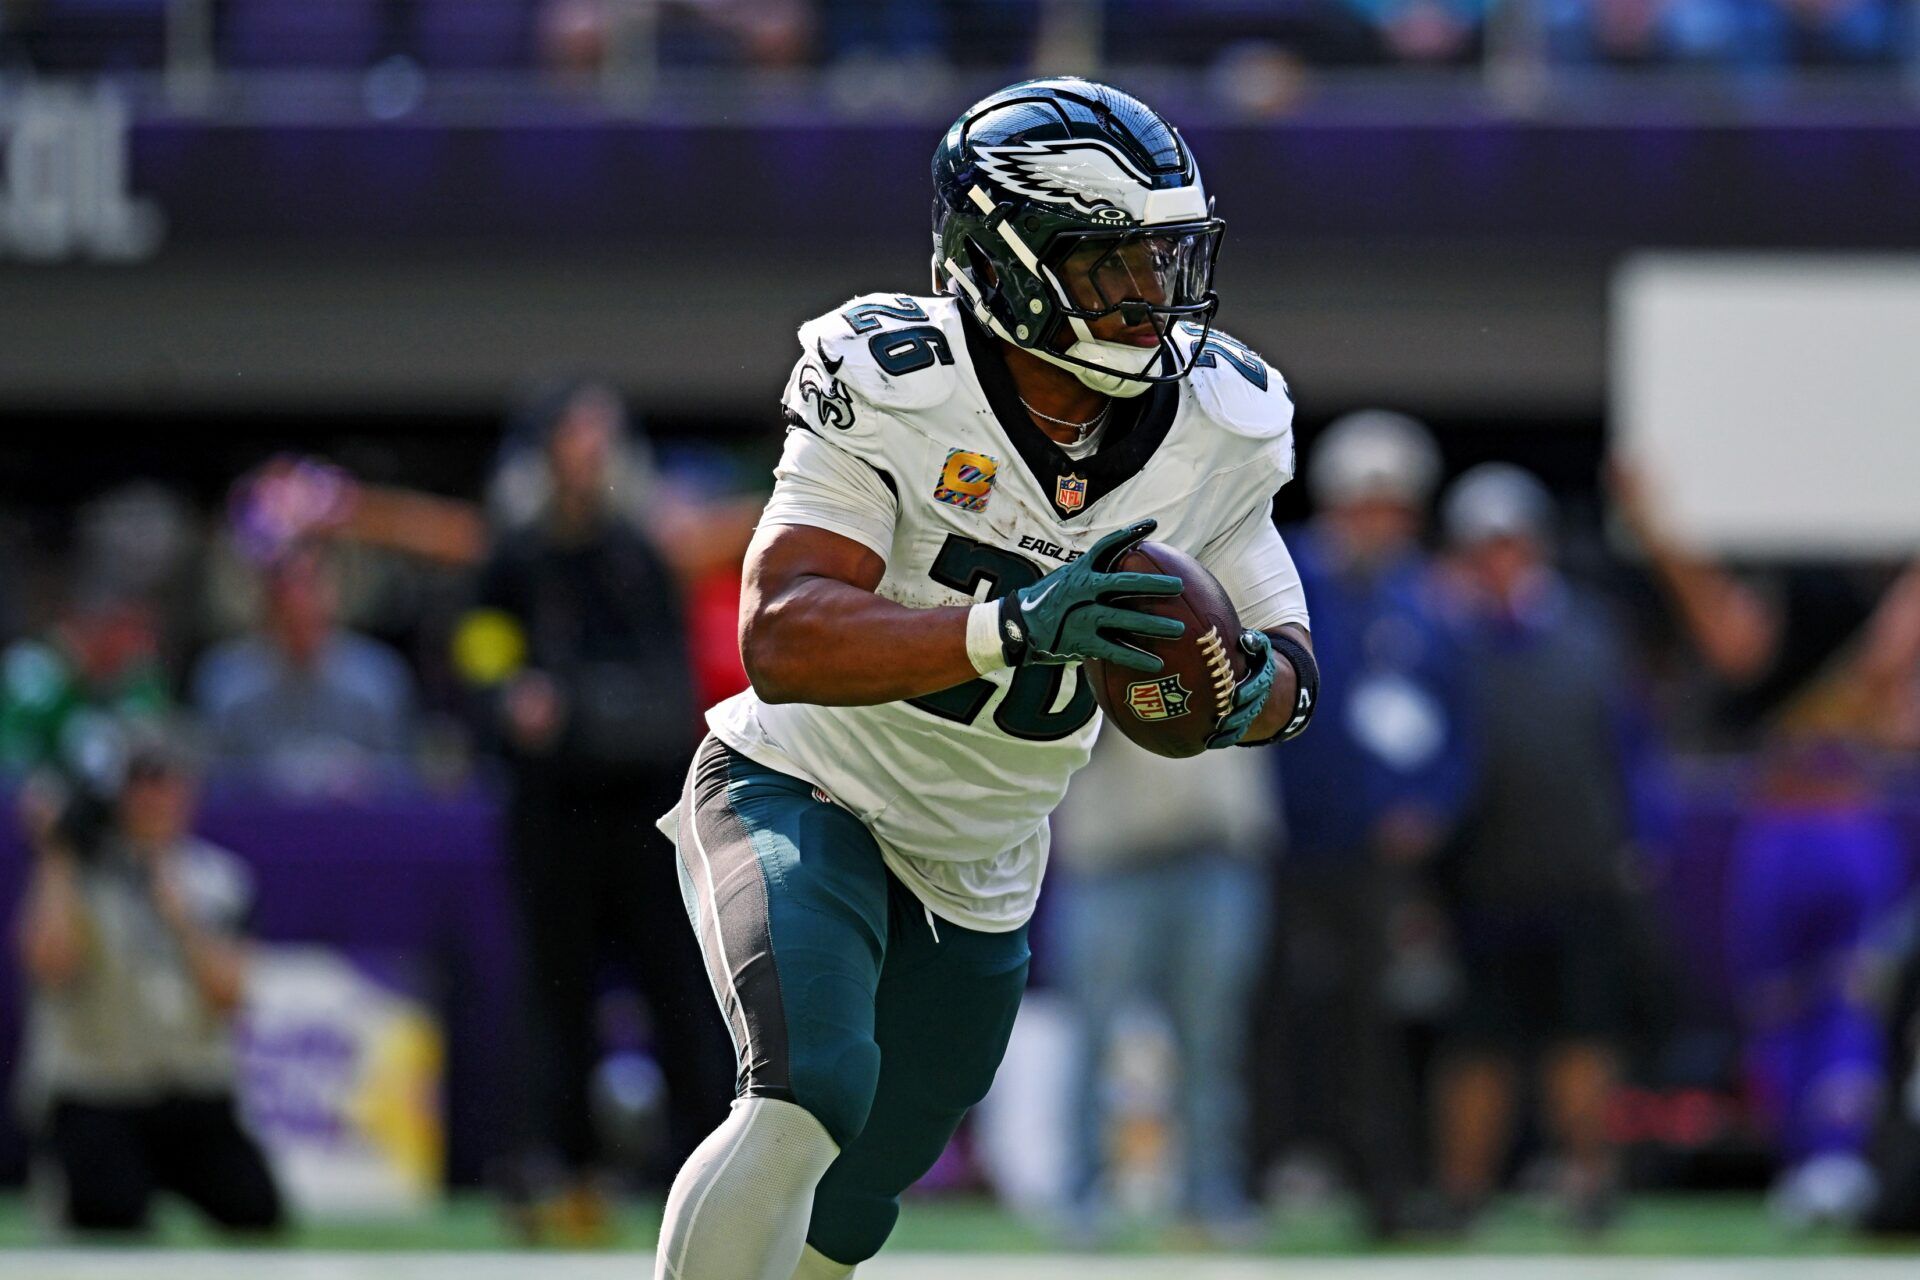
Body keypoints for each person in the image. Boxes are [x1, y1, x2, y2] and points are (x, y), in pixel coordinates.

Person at [651, 78, 1320, 1280]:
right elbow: (784, 634)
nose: (1153, 297)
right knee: (809, 1090)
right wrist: (1010, 626)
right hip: (804, 785)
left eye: (1167, 259)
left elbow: (1289, 668)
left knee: (852, 1207)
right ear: (1008, 265)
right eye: (1116, 265)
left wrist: (1235, 690)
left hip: (985, 857)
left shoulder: (1221, 421)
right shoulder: (897, 378)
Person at [454, 379, 732, 1239]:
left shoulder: (639, 553)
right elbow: (479, 646)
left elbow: (668, 676)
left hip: (644, 805)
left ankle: (705, 1167)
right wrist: (510, 695)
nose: (588, 459)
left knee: (678, 988)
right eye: (574, 443)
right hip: (554, 809)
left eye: (600, 443)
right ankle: (556, 1170)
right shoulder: (516, 557)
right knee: (554, 993)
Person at [1254, 410, 1469, 1236]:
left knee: (1377, 1025)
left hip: (1378, 854)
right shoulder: (1284, 576)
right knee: (1271, 1013)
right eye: (1364, 505)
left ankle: (1383, 1189)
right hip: (1282, 840)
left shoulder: (1427, 602)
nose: (1378, 524)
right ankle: (1263, 1172)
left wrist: (1434, 807)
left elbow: (1459, 722)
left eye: (1393, 508)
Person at [1430, 463, 1637, 1232]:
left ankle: (1591, 1184)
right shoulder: (1443, 638)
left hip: (1578, 867)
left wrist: (1638, 839)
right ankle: (1463, 1191)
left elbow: (1627, 748)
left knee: (1582, 1037)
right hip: (1482, 873)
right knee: (1476, 1042)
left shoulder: (1587, 633)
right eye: (1482, 548)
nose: (1497, 562)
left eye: (1509, 545)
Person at [13, 730, 283, 1236]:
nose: (156, 798)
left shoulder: (220, 878)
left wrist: (178, 913)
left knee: (256, 1211)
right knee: (111, 1219)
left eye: (169, 783)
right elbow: (49, 963)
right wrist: (55, 853)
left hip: (190, 1089)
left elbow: (231, 994)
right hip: (100, 1089)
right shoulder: (78, 876)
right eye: (142, 783)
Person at [1053, 729, 1277, 1241]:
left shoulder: (1251, 642)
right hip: (1113, 854)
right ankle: (1080, 1196)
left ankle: (1211, 1195)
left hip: (1219, 851)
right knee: (1094, 1034)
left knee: (1213, 1040)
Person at [192, 543, 418, 795]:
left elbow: (400, 783)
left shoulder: (378, 676)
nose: (298, 600)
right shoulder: (225, 679)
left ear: (332, 595)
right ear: (265, 601)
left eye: (309, 584)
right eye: (286, 588)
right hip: (257, 828)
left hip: (354, 827)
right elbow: (212, 783)